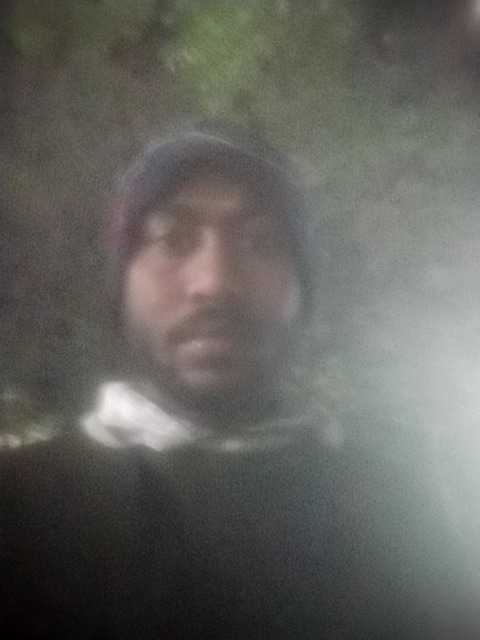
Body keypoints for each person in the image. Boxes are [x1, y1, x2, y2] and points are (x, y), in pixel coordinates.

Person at [0, 120, 477, 640]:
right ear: (120, 285)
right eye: (173, 240)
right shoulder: (19, 509)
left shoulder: (404, 513)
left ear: (302, 293)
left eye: (262, 241)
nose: (215, 282)